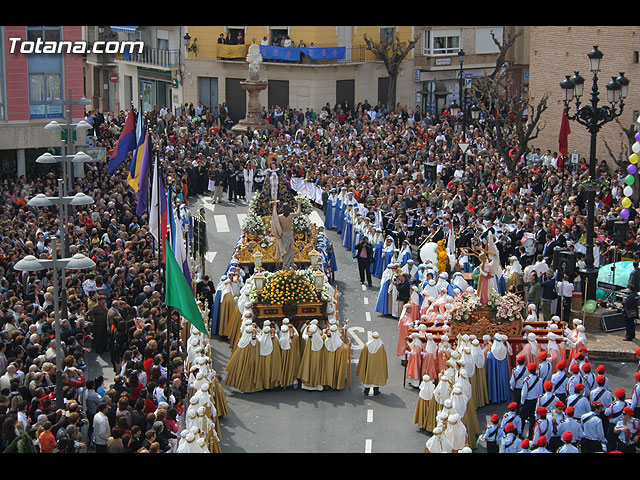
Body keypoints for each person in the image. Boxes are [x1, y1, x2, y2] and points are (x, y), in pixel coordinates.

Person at [356, 331, 388, 396]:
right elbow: (383, 356)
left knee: (368, 375)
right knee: (376, 376)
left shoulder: (367, 345)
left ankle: (366, 391)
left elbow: (364, 356)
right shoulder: (381, 345)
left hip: (368, 364)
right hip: (377, 365)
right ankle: (376, 391)